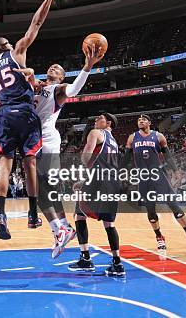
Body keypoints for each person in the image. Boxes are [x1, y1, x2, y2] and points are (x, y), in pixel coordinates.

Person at [0, 0, 68, 240]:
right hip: (24, 112)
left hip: (4, 114)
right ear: (5, 46)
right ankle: (33, 214)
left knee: (4, 166)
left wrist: (32, 81)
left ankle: (0, 214)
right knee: (30, 163)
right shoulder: (17, 52)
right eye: (9, 42)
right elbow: (36, 23)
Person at [13, 45, 103, 258]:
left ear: (62, 77)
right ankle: (62, 228)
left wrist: (87, 67)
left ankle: (59, 229)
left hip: (46, 139)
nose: (53, 67)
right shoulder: (38, 86)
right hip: (32, 139)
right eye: (51, 66)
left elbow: (73, 90)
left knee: (43, 188)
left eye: (58, 68)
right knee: (44, 189)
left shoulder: (58, 90)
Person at [125, 115, 186, 253]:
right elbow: (126, 159)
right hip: (143, 176)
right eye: (138, 120)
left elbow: (167, 155)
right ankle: (159, 237)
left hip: (158, 174)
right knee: (150, 209)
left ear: (149, 122)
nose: (140, 121)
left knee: (173, 204)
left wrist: (176, 170)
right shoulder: (132, 138)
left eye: (143, 120)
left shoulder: (159, 136)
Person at [68, 114, 125, 276]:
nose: (94, 121)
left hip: (99, 180)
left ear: (108, 123)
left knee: (79, 216)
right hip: (113, 183)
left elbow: (87, 158)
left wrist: (85, 176)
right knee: (109, 224)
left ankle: (85, 259)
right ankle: (117, 263)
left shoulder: (96, 133)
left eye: (99, 118)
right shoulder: (114, 141)